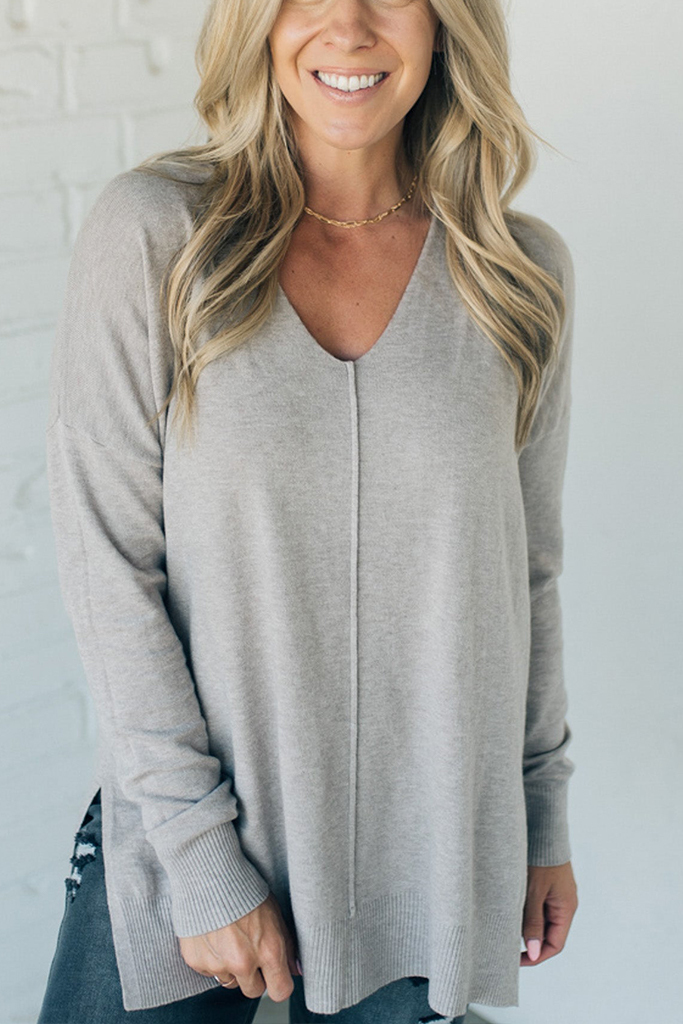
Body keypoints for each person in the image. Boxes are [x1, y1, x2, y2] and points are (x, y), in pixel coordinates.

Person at [37, 0, 579, 1021]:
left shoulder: (516, 273)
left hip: (428, 854)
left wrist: (541, 814)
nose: (348, 25)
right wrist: (200, 857)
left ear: (443, 21)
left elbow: (526, 573)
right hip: (186, 842)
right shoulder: (157, 233)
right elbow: (108, 564)